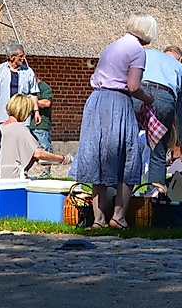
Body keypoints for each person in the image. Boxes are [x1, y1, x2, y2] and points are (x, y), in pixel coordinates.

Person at [70, 13, 158, 230]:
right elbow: (133, 86)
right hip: (117, 103)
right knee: (129, 157)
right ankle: (118, 217)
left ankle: (98, 219)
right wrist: (148, 99)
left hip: (96, 101)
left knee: (99, 158)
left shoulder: (114, 45)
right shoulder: (137, 51)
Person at [140, 45, 182, 185]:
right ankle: (154, 194)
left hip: (138, 91)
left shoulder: (148, 54)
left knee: (129, 147)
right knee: (158, 151)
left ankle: (120, 196)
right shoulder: (181, 69)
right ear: (181, 59)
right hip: (163, 97)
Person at [0, 93, 72, 175]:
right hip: (13, 179)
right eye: (30, 111)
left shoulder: (1, 127)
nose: (30, 114)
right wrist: (63, 159)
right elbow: (38, 153)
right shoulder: (20, 128)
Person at [0, 43, 40, 127]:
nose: (23, 59)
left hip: (23, 118)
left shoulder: (28, 72)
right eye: (21, 56)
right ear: (11, 57)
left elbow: (33, 94)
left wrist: (36, 111)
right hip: (4, 117)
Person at [28, 81, 55, 178]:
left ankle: (46, 172)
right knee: (29, 149)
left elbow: (47, 103)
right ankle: (25, 171)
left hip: (41, 125)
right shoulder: (27, 87)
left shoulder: (44, 87)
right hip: (28, 123)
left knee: (45, 148)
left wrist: (32, 102)